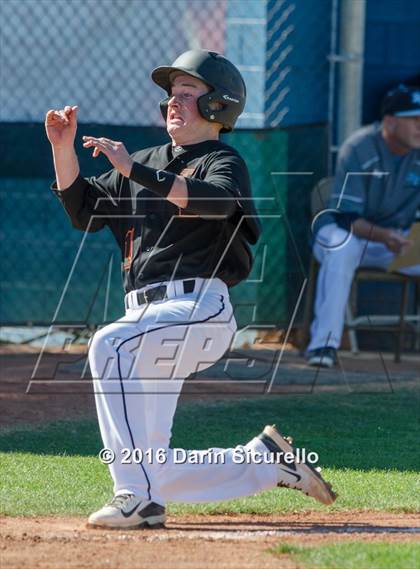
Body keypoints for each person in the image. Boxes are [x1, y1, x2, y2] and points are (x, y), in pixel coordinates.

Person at [45, 49, 336, 529]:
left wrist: (133, 171)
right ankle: (264, 461)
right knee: (155, 465)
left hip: (198, 308)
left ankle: (132, 496)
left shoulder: (222, 160)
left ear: (218, 106)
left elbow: (217, 203)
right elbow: (83, 211)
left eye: (186, 94)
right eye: (170, 95)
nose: (173, 103)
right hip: (146, 319)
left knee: (108, 343)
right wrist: (63, 147)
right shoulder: (143, 162)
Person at [306, 84, 420, 368]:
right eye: (414, 119)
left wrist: (398, 239)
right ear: (391, 121)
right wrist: (387, 237)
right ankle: (324, 345)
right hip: (346, 232)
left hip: (396, 241)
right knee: (341, 248)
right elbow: (347, 218)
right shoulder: (360, 147)